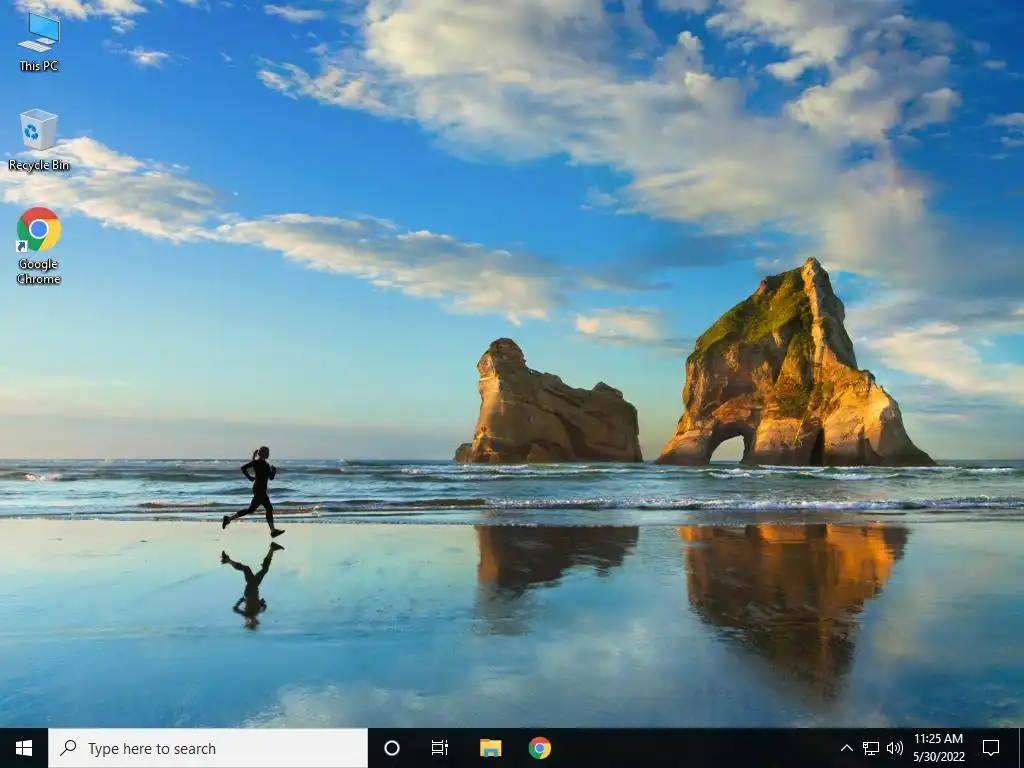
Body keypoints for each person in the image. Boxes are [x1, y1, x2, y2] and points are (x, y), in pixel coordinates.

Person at [222, 446, 284, 537]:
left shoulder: (266, 465)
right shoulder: (256, 463)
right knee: (268, 508)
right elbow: (243, 468)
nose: (268, 454)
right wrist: (249, 477)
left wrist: (273, 471)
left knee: (251, 510)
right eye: (267, 452)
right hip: (259, 489)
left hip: (261, 489)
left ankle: (228, 519)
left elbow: (271, 477)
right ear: (263, 453)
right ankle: (273, 531)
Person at [221, 542, 284, 630]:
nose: (255, 621)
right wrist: (262, 604)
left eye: (253, 623)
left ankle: (227, 560)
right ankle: (272, 549)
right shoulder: (256, 613)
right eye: (255, 623)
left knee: (247, 569)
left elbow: (235, 609)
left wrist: (241, 600)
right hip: (254, 587)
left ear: (249, 623)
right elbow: (262, 606)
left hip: (250, 589)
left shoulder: (247, 615)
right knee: (264, 570)